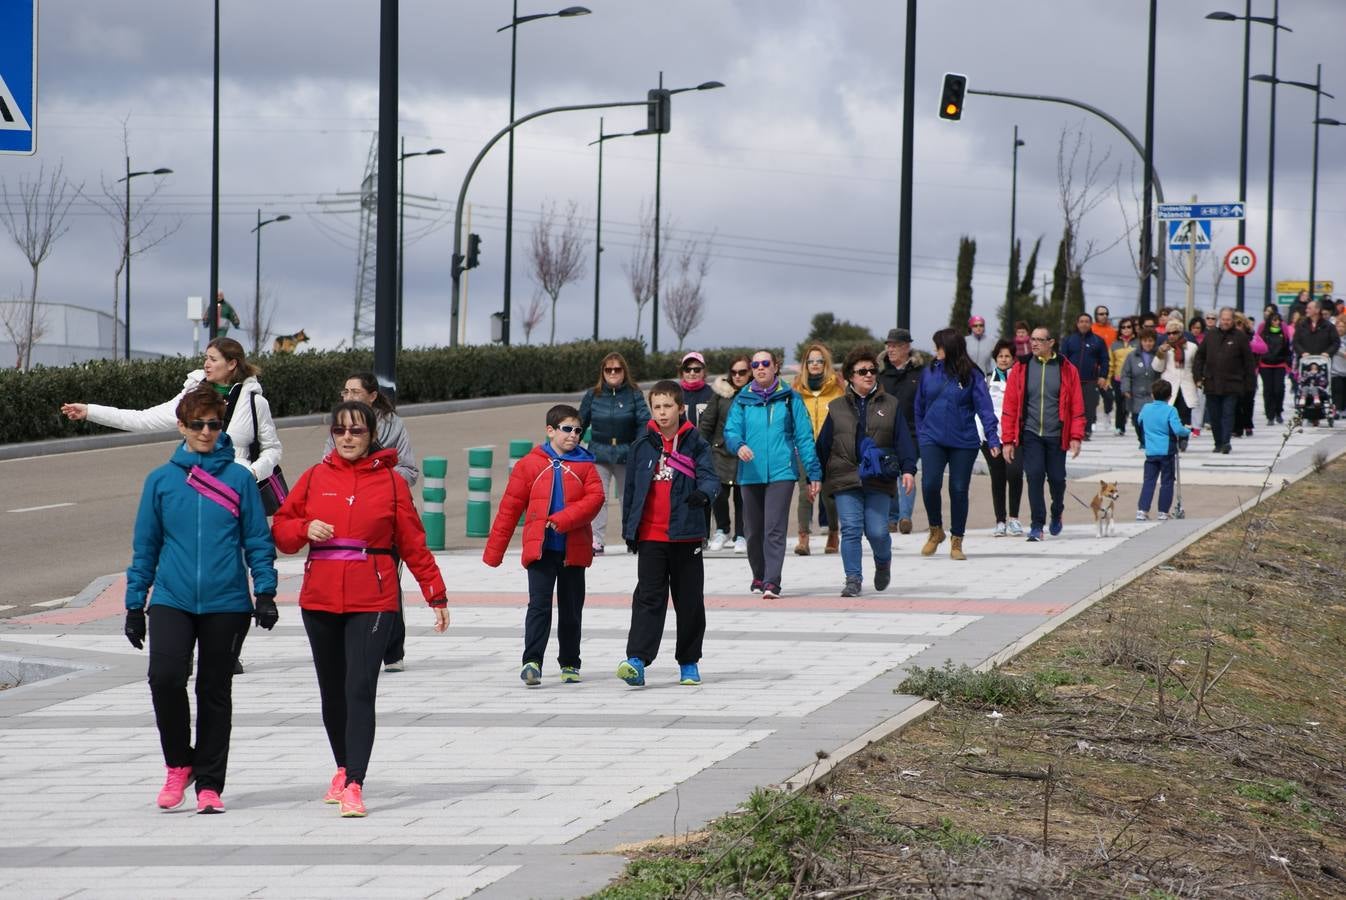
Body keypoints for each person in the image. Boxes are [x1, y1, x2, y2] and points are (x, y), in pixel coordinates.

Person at [273, 400, 449, 817]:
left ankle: (355, 782)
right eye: (340, 431)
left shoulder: (391, 484)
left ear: (372, 435)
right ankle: (341, 768)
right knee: (332, 693)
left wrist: (435, 594)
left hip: (374, 599)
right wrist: (303, 527)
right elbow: (281, 529)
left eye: (356, 431)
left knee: (359, 688)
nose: (347, 438)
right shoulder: (316, 477)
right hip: (320, 598)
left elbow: (414, 543)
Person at [125, 384, 278, 815]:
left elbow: (257, 540)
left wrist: (264, 591)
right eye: (198, 424)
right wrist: (136, 605)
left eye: (213, 424)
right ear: (182, 427)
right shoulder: (160, 481)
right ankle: (179, 763)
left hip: (227, 603)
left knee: (214, 690)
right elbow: (146, 547)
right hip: (172, 599)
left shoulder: (239, 479)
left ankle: (209, 783)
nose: (207, 431)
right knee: (165, 678)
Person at [483, 404, 605, 686]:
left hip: (573, 550)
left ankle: (570, 663)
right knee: (539, 606)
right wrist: (494, 551)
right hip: (541, 550)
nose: (573, 435)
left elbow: (595, 500)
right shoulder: (530, 464)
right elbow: (509, 508)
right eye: (566, 429)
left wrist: (563, 519)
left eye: (578, 430)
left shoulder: (586, 465)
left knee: (572, 609)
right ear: (550, 430)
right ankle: (532, 661)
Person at [62, 337, 282, 484]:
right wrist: (91, 411)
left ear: (232, 364)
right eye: (205, 358)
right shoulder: (192, 397)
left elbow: (272, 449)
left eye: (213, 359)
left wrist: (252, 473)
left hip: (238, 492)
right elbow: (143, 419)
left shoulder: (255, 403)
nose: (206, 364)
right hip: (197, 486)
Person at [616, 381, 720, 687]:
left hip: (686, 535)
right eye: (657, 407)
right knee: (648, 598)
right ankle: (637, 659)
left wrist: (704, 495)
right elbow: (631, 492)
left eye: (668, 406)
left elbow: (710, 478)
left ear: (680, 408)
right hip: (651, 536)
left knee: (689, 602)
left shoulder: (696, 442)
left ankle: (689, 662)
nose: (662, 413)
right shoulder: (642, 446)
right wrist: (629, 530)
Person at [323, 373, 419, 673]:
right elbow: (326, 464)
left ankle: (392, 650)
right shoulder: (337, 425)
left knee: (387, 581)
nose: (349, 396)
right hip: (346, 515)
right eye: (345, 390)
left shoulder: (394, 425)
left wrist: (379, 478)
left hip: (383, 514)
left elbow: (410, 470)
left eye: (355, 391)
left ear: (372, 396)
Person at [816, 348, 917, 595]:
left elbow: (903, 439)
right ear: (850, 376)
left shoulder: (890, 404)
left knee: (877, 531)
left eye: (872, 370)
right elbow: (823, 445)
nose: (869, 375)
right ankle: (853, 579)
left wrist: (908, 469)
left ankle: (883, 562)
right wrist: (814, 476)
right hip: (845, 477)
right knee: (850, 528)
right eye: (862, 371)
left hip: (878, 477)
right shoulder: (837, 407)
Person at [723, 349, 823, 599]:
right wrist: (739, 446)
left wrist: (813, 473)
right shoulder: (742, 400)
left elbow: (804, 438)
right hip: (750, 473)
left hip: (782, 473)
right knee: (753, 530)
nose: (760, 368)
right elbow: (731, 431)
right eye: (755, 364)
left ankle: (772, 581)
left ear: (775, 367)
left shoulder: (790, 399)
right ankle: (759, 574)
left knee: (774, 529)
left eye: (765, 363)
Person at [913, 328, 1000, 560]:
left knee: (958, 490)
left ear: (950, 348)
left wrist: (992, 437)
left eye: (938, 346)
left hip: (964, 441)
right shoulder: (929, 372)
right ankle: (935, 530)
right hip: (932, 439)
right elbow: (919, 406)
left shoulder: (972, 375)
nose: (935, 351)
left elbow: (985, 407)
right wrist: (922, 434)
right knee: (930, 484)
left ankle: (957, 540)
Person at [1000, 327, 1085, 542]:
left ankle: (1057, 511)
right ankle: (1037, 525)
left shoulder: (1067, 369)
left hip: (1057, 434)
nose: (1034, 344)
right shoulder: (1021, 367)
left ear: (1051, 342)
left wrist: (1076, 436)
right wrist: (1008, 440)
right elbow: (1010, 406)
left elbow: (1076, 405)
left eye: (1040, 340)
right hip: (1030, 434)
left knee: (1057, 479)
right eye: (1033, 340)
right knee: (1035, 476)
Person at [579, 352, 651, 555]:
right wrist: (571, 444)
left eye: (617, 369)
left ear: (624, 372)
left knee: (628, 498)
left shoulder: (634, 394)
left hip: (626, 453)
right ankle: (596, 540)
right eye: (608, 369)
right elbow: (580, 421)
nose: (612, 373)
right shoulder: (592, 395)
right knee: (597, 498)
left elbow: (644, 421)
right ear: (602, 372)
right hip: (598, 453)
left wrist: (639, 445)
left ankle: (631, 537)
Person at [790, 342, 844, 555]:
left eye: (819, 361)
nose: (814, 364)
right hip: (804, 447)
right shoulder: (796, 390)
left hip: (830, 448)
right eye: (810, 361)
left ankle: (833, 532)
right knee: (805, 493)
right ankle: (803, 536)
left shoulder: (837, 388)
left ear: (825, 364)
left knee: (828, 493)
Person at [698, 356, 751, 553]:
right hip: (720, 451)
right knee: (718, 493)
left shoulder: (755, 394)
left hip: (746, 453)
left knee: (742, 496)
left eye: (742, 372)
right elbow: (707, 424)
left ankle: (742, 534)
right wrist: (701, 448)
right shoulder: (720, 394)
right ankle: (722, 529)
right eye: (734, 372)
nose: (737, 376)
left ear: (750, 372)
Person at [1193, 307, 1256, 455]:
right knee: (1215, 416)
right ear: (1220, 319)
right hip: (1212, 383)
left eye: (1228, 319)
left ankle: (1226, 442)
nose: (1226, 322)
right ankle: (1218, 442)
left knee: (1228, 414)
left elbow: (1249, 362)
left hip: (1232, 383)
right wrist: (1198, 376)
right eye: (1223, 319)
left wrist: (1249, 384)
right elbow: (1199, 357)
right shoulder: (1210, 335)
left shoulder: (1240, 337)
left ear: (1232, 320)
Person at [878, 327, 923, 534]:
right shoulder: (880, 373)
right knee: (888, 473)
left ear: (907, 347)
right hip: (886, 431)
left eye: (895, 345)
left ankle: (905, 517)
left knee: (907, 471)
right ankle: (892, 517)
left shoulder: (920, 373)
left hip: (913, 431)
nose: (891, 349)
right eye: (888, 345)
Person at [978, 341, 1025, 537]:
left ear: (1013, 358)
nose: (1004, 360)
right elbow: (981, 408)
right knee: (997, 476)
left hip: (1014, 435)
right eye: (1000, 356)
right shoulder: (987, 380)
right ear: (995, 358)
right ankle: (1000, 521)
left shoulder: (1020, 378)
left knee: (1014, 473)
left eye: (1007, 356)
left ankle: (1014, 518)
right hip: (991, 436)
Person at [1135, 380, 1190, 521]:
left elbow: (1139, 421)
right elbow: (1177, 429)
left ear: (1152, 395)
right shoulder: (1171, 410)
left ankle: (1142, 510)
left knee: (1149, 481)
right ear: (1170, 396)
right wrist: (1187, 431)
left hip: (1151, 451)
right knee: (1167, 481)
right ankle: (1163, 511)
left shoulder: (1146, 408)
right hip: (1167, 452)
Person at [1060, 313, 1109, 439]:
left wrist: (1103, 376)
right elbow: (1062, 359)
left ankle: (1086, 431)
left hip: (1090, 380)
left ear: (1090, 323)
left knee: (1088, 407)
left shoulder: (1098, 341)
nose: (1084, 324)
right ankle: (1070, 431)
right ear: (1077, 323)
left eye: (1087, 321)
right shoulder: (1068, 340)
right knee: (1070, 406)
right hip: (1071, 380)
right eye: (1081, 321)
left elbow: (1104, 360)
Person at [1152, 318, 1204, 433]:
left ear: (1181, 332)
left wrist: (1198, 380)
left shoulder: (1191, 347)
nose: (1171, 336)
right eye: (1169, 333)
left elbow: (1197, 366)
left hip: (1187, 385)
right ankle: (1173, 438)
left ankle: (1183, 438)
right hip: (1169, 386)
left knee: (1185, 414)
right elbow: (1157, 368)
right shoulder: (1164, 347)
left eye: (1174, 332)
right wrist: (1161, 353)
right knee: (1170, 414)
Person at [1120, 327, 1163, 449]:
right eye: (1145, 341)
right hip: (1136, 394)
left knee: (1151, 421)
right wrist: (1126, 389)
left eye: (1150, 341)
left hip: (1153, 394)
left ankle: (1147, 441)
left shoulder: (1159, 355)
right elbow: (1126, 374)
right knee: (1138, 420)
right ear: (1141, 341)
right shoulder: (1132, 356)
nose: (1148, 344)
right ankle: (1141, 439)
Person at [1253, 311, 1292, 425]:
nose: (1276, 322)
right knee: (1268, 390)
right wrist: (1258, 363)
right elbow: (1258, 348)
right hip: (1265, 365)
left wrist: (1288, 364)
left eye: (1278, 320)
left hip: (1280, 364)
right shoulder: (1263, 332)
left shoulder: (1283, 333)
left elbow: (1287, 349)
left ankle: (1278, 411)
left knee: (1279, 389)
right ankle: (1270, 415)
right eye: (1274, 320)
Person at [677, 351, 715, 429]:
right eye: (687, 369)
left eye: (697, 369)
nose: (692, 373)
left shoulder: (713, 394)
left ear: (704, 371)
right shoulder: (674, 393)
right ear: (682, 372)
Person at [1333, 318, 1346, 418]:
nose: (1340, 329)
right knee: (1337, 390)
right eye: (1338, 326)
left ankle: (1343, 409)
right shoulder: (1333, 339)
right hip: (1335, 370)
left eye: (1342, 326)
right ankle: (1336, 409)